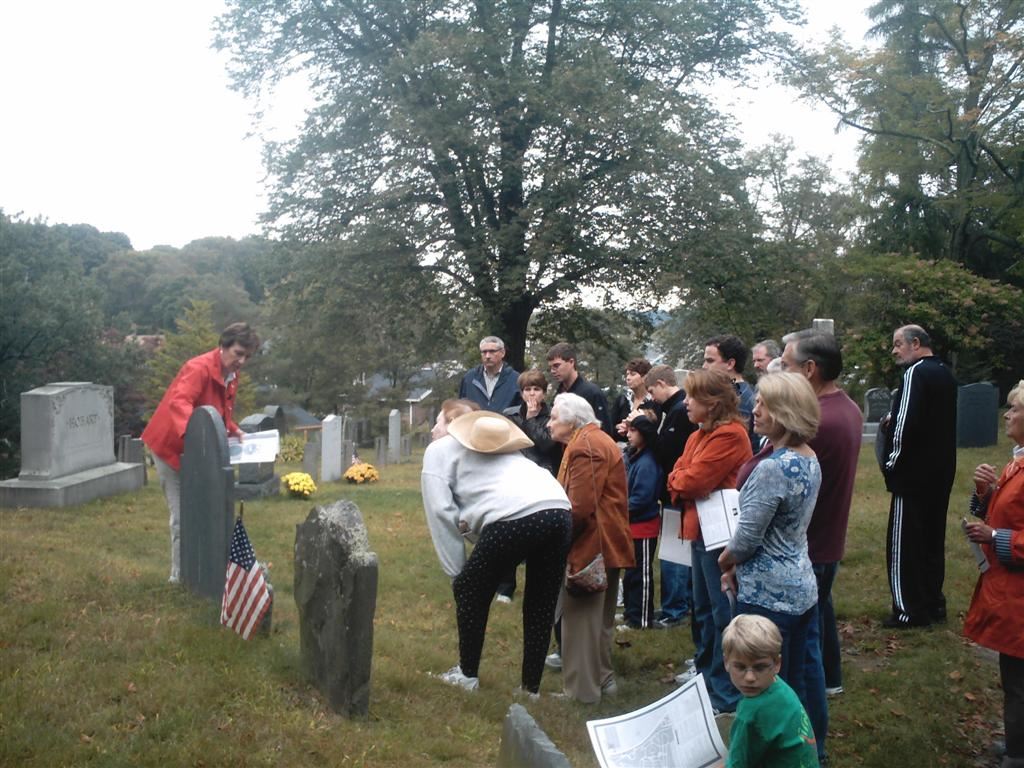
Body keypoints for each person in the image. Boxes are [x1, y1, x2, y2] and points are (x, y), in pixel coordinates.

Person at [421, 410, 572, 696]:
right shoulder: (510, 450)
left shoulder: (437, 451)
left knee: (469, 589)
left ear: (453, 424)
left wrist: (457, 571)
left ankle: (467, 675)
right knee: (541, 602)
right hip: (560, 508)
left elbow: (441, 512)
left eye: (438, 421)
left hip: (517, 517)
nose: (433, 429)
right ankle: (530, 689)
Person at [718, 372, 827, 763]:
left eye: (763, 403)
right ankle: (812, 750)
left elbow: (747, 538)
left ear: (784, 412)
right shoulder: (809, 457)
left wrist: (725, 560)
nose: (755, 408)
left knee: (762, 683)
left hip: (768, 593)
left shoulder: (772, 468)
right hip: (802, 583)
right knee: (803, 679)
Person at [142, 322, 260, 584]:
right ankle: (179, 577)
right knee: (183, 516)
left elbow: (215, 412)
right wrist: (198, 440)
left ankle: (206, 570)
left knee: (206, 511)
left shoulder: (231, 374)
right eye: (238, 353)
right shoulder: (199, 368)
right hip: (171, 448)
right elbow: (180, 402)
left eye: (247, 357)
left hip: (199, 452)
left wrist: (232, 429)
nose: (241, 361)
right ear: (223, 346)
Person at [781, 332, 862, 696]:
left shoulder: (817, 421)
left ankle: (810, 699)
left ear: (810, 369)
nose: (781, 373)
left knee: (803, 633)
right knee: (820, 609)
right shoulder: (847, 407)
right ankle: (832, 679)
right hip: (826, 537)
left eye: (787, 366)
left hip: (810, 540)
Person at [667, 368, 753, 713]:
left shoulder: (730, 435)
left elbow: (692, 482)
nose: (686, 403)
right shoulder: (698, 435)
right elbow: (679, 473)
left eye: (692, 397)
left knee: (721, 614)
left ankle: (725, 693)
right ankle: (704, 676)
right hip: (699, 531)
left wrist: (680, 479)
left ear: (713, 403)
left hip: (719, 535)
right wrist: (681, 478)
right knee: (702, 610)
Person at [548, 392, 633, 703]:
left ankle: (581, 693)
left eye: (554, 417)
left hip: (592, 546)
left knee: (581, 622)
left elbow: (579, 507)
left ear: (572, 422)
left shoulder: (585, 446)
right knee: (600, 622)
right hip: (606, 543)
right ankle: (603, 680)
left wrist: (555, 541)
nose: (549, 423)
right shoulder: (594, 439)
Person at [963, 379, 1024, 768]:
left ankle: (1019, 754)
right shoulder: (1017, 459)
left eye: (1015, 409)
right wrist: (985, 493)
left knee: (1020, 682)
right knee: (1013, 676)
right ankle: (1016, 742)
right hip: (1010, 595)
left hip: (1020, 600)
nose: (1007, 414)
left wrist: (995, 536)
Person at [881, 324, 957, 627]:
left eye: (898, 344)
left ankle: (908, 610)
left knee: (904, 546)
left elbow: (905, 423)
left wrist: (891, 462)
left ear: (916, 343)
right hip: (940, 471)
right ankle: (932, 602)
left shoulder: (916, 373)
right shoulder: (945, 373)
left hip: (912, 475)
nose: (895, 350)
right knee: (931, 541)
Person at [497, 369, 561, 603]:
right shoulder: (510, 414)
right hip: (513, 476)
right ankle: (505, 586)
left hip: (541, 476)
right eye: (527, 389)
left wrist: (533, 419)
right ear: (521, 392)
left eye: (536, 389)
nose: (532, 394)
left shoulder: (552, 416)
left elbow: (545, 445)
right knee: (509, 528)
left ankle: (539, 586)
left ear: (544, 392)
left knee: (537, 532)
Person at [723, 614, 818, 768]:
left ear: (777, 664)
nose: (749, 678)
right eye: (740, 667)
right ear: (726, 662)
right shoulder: (779, 687)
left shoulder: (751, 713)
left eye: (759, 667)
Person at [644, 364, 697, 630]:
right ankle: (677, 604)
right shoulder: (671, 410)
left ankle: (674, 609)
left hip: (676, 493)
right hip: (673, 492)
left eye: (653, 390)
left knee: (674, 553)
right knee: (675, 550)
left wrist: (647, 431)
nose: (652, 397)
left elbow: (668, 452)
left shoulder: (678, 412)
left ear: (663, 384)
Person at [620, 415, 662, 630]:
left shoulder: (646, 463)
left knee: (641, 575)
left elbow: (642, 499)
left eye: (633, 431)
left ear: (643, 434)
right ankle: (630, 612)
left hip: (644, 526)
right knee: (631, 574)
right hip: (633, 526)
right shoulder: (636, 458)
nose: (628, 434)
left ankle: (642, 619)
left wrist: (620, 509)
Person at [547, 342, 614, 436]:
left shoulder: (592, 393)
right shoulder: (558, 394)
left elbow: (605, 432)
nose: (553, 371)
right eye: (551, 367)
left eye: (556, 366)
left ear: (571, 362)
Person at [704, 334, 757, 447]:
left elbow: (732, 446)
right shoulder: (737, 391)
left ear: (730, 364)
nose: (704, 366)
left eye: (710, 361)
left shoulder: (739, 399)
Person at [457, 335, 522, 412]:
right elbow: (461, 408)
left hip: (504, 423)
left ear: (503, 353)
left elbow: (521, 411)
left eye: (492, 351)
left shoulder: (515, 379)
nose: (487, 356)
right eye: (484, 352)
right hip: (476, 423)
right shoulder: (469, 379)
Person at [612, 358, 656, 443]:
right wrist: (618, 427)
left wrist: (631, 428)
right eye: (627, 374)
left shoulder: (654, 402)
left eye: (632, 374)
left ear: (645, 377)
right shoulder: (623, 399)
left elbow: (653, 430)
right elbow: (609, 426)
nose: (628, 378)